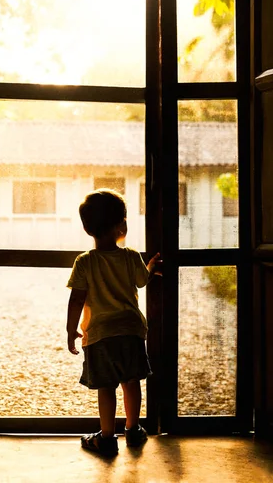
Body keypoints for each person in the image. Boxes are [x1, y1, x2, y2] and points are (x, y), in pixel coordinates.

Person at [66, 188, 161, 457]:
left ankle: (107, 438)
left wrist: (70, 328)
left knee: (105, 386)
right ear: (122, 225)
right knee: (132, 381)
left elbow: (76, 299)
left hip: (99, 333)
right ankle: (133, 429)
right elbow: (142, 281)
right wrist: (151, 265)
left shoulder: (85, 262)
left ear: (87, 229)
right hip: (130, 330)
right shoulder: (130, 256)